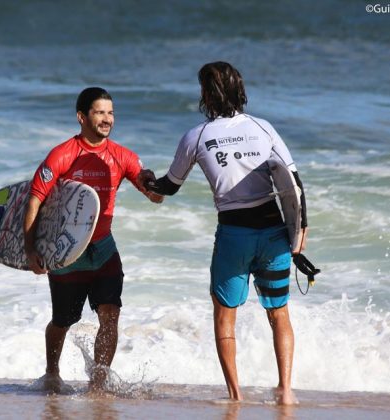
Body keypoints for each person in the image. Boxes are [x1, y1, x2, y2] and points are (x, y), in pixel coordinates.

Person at [141, 62, 308, 405]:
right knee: (279, 312)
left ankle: (235, 395)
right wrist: (300, 234)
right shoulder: (263, 128)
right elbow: (294, 184)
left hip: (235, 236)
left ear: (206, 94)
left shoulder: (197, 136)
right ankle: (286, 391)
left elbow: (169, 187)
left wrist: (145, 179)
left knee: (224, 314)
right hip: (275, 233)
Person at [24, 87, 162, 393]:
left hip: (102, 250)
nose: (107, 119)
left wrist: (157, 183)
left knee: (110, 314)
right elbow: (34, 200)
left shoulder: (121, 156)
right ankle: (52, 373)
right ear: (82, 117)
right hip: (68, 252)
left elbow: (154, 196)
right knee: (62, 320)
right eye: (100, 112)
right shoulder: (62, 155)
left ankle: (98, 381)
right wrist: (31, 248)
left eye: (111, 112)